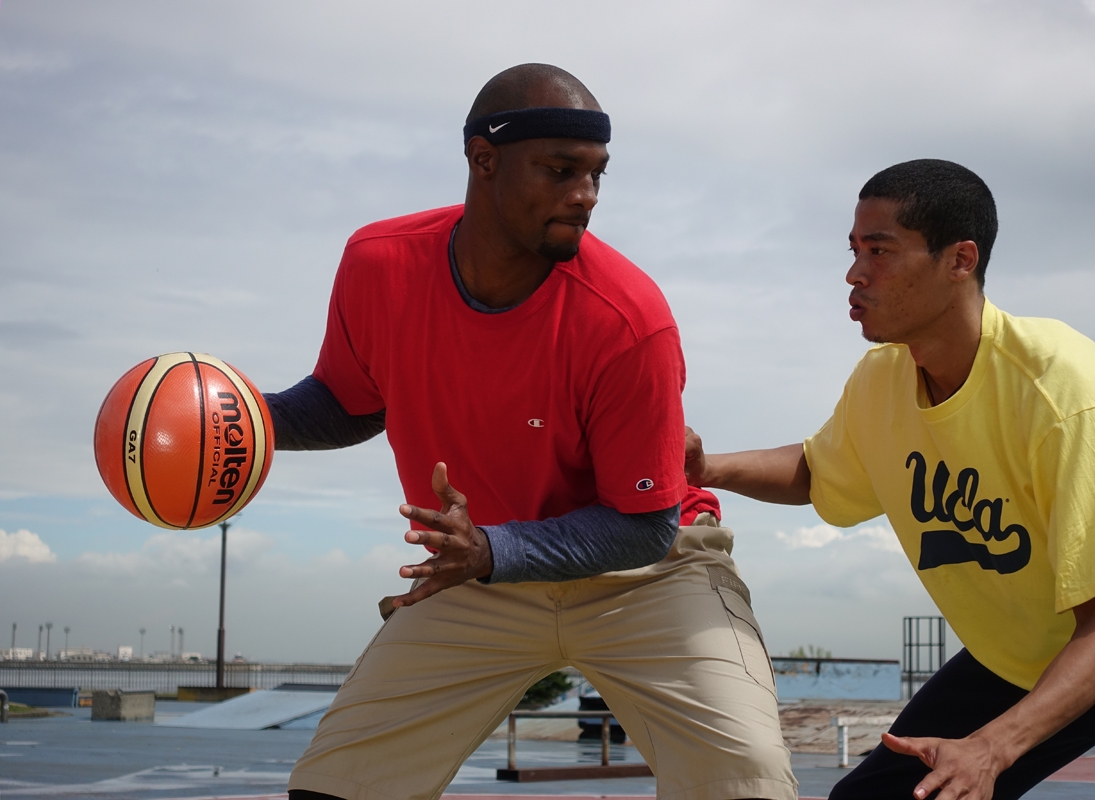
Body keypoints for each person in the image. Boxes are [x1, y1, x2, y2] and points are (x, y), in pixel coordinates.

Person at [267, 64, 797, 800]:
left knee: (747, 779)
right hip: (483, 577)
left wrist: (491, 550)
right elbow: (350, 401)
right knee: (336, 787)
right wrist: (240, 421)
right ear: (484, 159)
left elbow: (643, 525)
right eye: (560, 170)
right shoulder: (378, 263)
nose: (584, 196)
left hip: (648, 575)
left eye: (596, 176)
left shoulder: (628, 319)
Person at [684, 159, 1095, 800]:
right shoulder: (881, 380)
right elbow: (822, 470)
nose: (854, 273)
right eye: (853, 250)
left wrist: (992, 747)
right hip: (1020, 661)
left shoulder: (1057, 388)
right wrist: (706, 469)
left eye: (880, 251)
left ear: (960, 260)